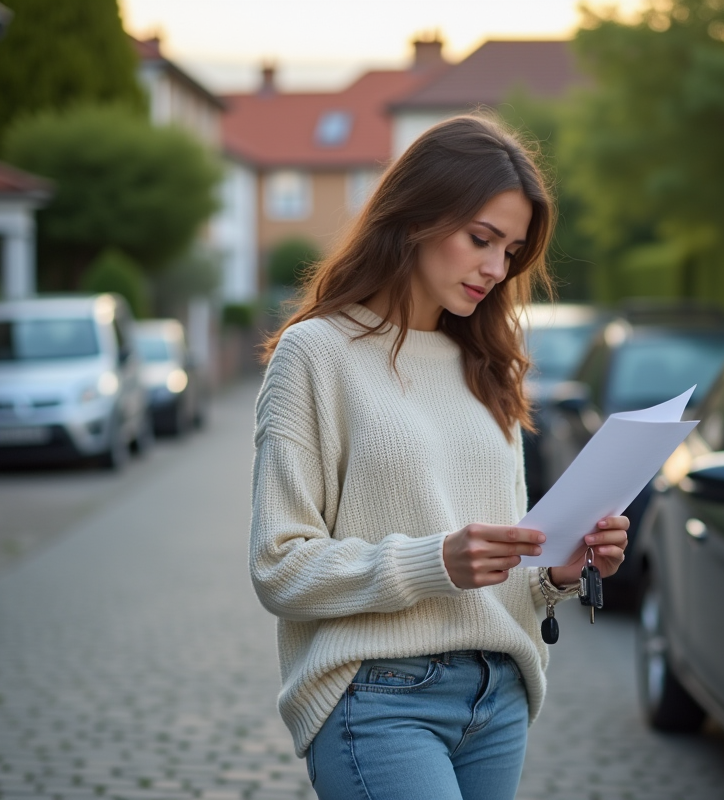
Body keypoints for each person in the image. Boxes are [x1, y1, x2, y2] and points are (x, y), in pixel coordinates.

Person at [248, 115, 630, 800]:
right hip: (380, 697)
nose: (495, 267)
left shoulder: (488, 366)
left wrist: (560, 573)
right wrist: (436, 561)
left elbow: (507, 569)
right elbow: (279, 566)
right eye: (480, 238)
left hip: (500, 696)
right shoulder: (319, 354)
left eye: (510, 250)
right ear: (416, 215)